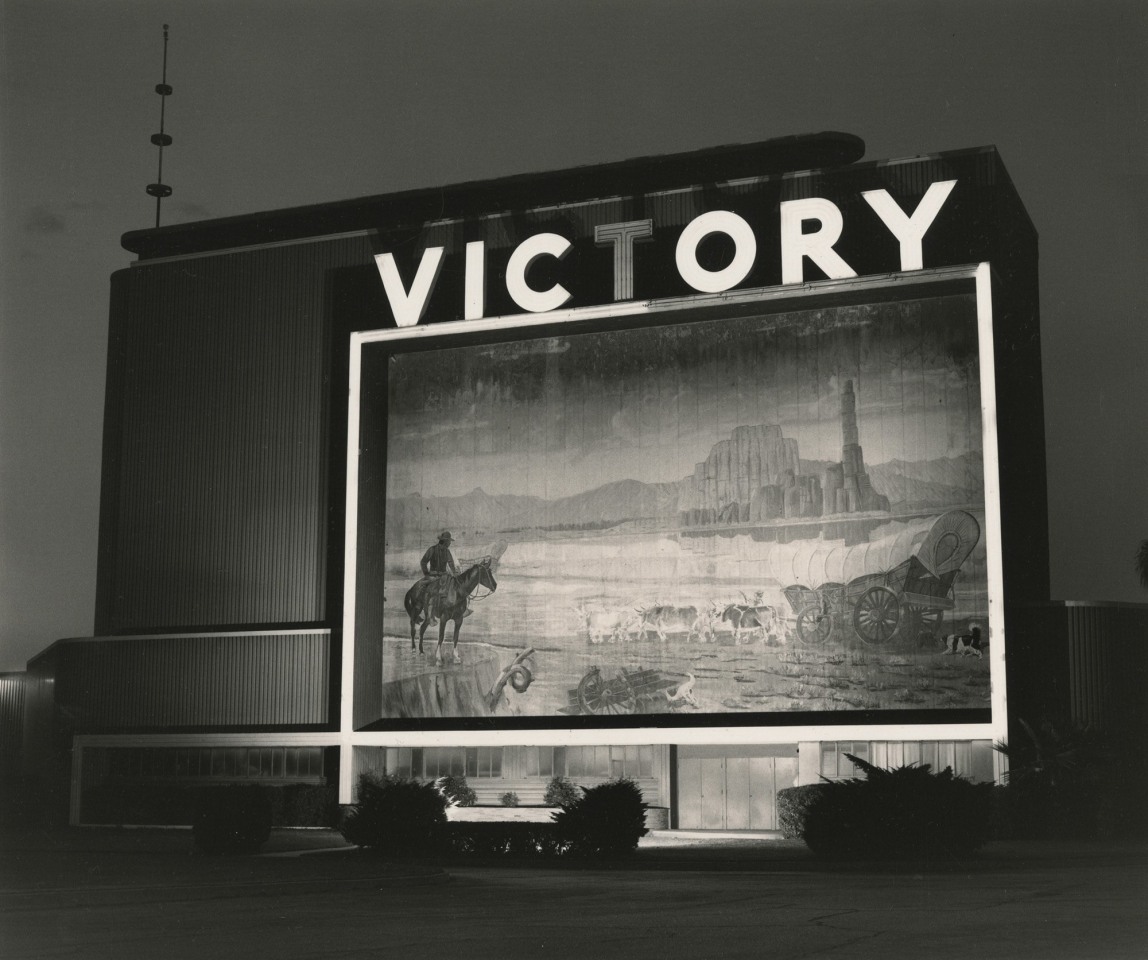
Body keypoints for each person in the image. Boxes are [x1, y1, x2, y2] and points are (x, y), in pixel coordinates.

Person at [419, 531, 461, 607]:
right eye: (449, 542)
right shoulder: (432, 549)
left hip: (444, 576)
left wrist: (454, 573)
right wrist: (427, 574)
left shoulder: (447, 551)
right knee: (430, 593)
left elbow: (451, 563)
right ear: (445, 541)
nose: (450, 543)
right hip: (433, 576)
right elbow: (423, 562)